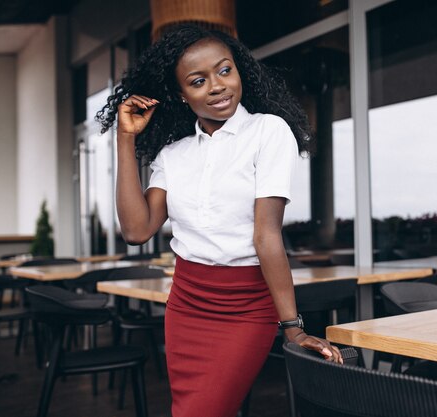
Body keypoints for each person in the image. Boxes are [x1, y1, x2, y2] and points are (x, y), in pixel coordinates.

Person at [97, 24, 342, 417]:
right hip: (187, 302)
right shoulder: (172, 155)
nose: (217, 86)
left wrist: (292, 326)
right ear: (181, 94)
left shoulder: (268, 132)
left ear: (239, 70)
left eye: (225, 70)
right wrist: (125, 140)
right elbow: (136, 230)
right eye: (198, 80)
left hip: (247, 305)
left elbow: (266, 236)